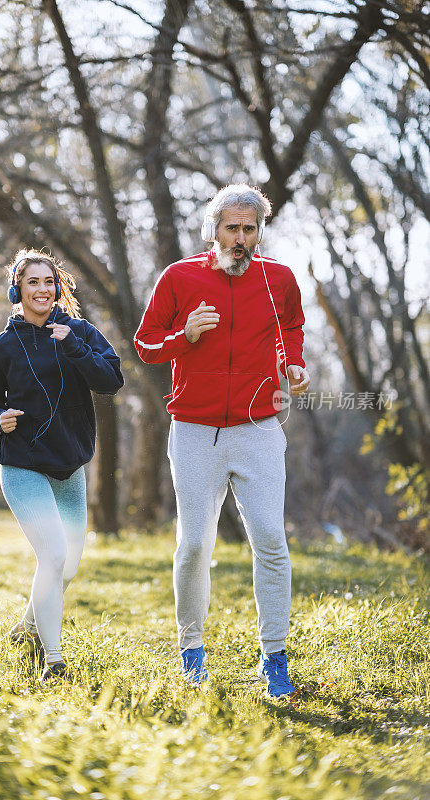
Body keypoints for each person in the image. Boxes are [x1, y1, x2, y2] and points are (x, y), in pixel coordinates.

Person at [134, 184, 310, 697]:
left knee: (272, 544)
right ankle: (192, 651)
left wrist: (292, 362)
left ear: (259, 232)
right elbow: (145, 345)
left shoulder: (277, 277)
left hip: (258, 431)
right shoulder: (180, 277)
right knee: (194, 545)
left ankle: (273, 657)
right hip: (194, 431)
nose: (240, 238)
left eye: (249, 229)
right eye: (231, 228)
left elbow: (292, 327)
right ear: (213, 229)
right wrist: (183, 337)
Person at [0, 249, 124, 683]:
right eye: (32, 282)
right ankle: (52, 660)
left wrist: (73, 346)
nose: (42, 289)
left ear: (59, 287)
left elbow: (111, 381)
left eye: (48, 281)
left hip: (69, 466)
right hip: (22, 465)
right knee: (53, 555)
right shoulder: (1, 347)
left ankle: (25, 629)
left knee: (67, 565)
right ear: (17, 290)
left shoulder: (79, 332)